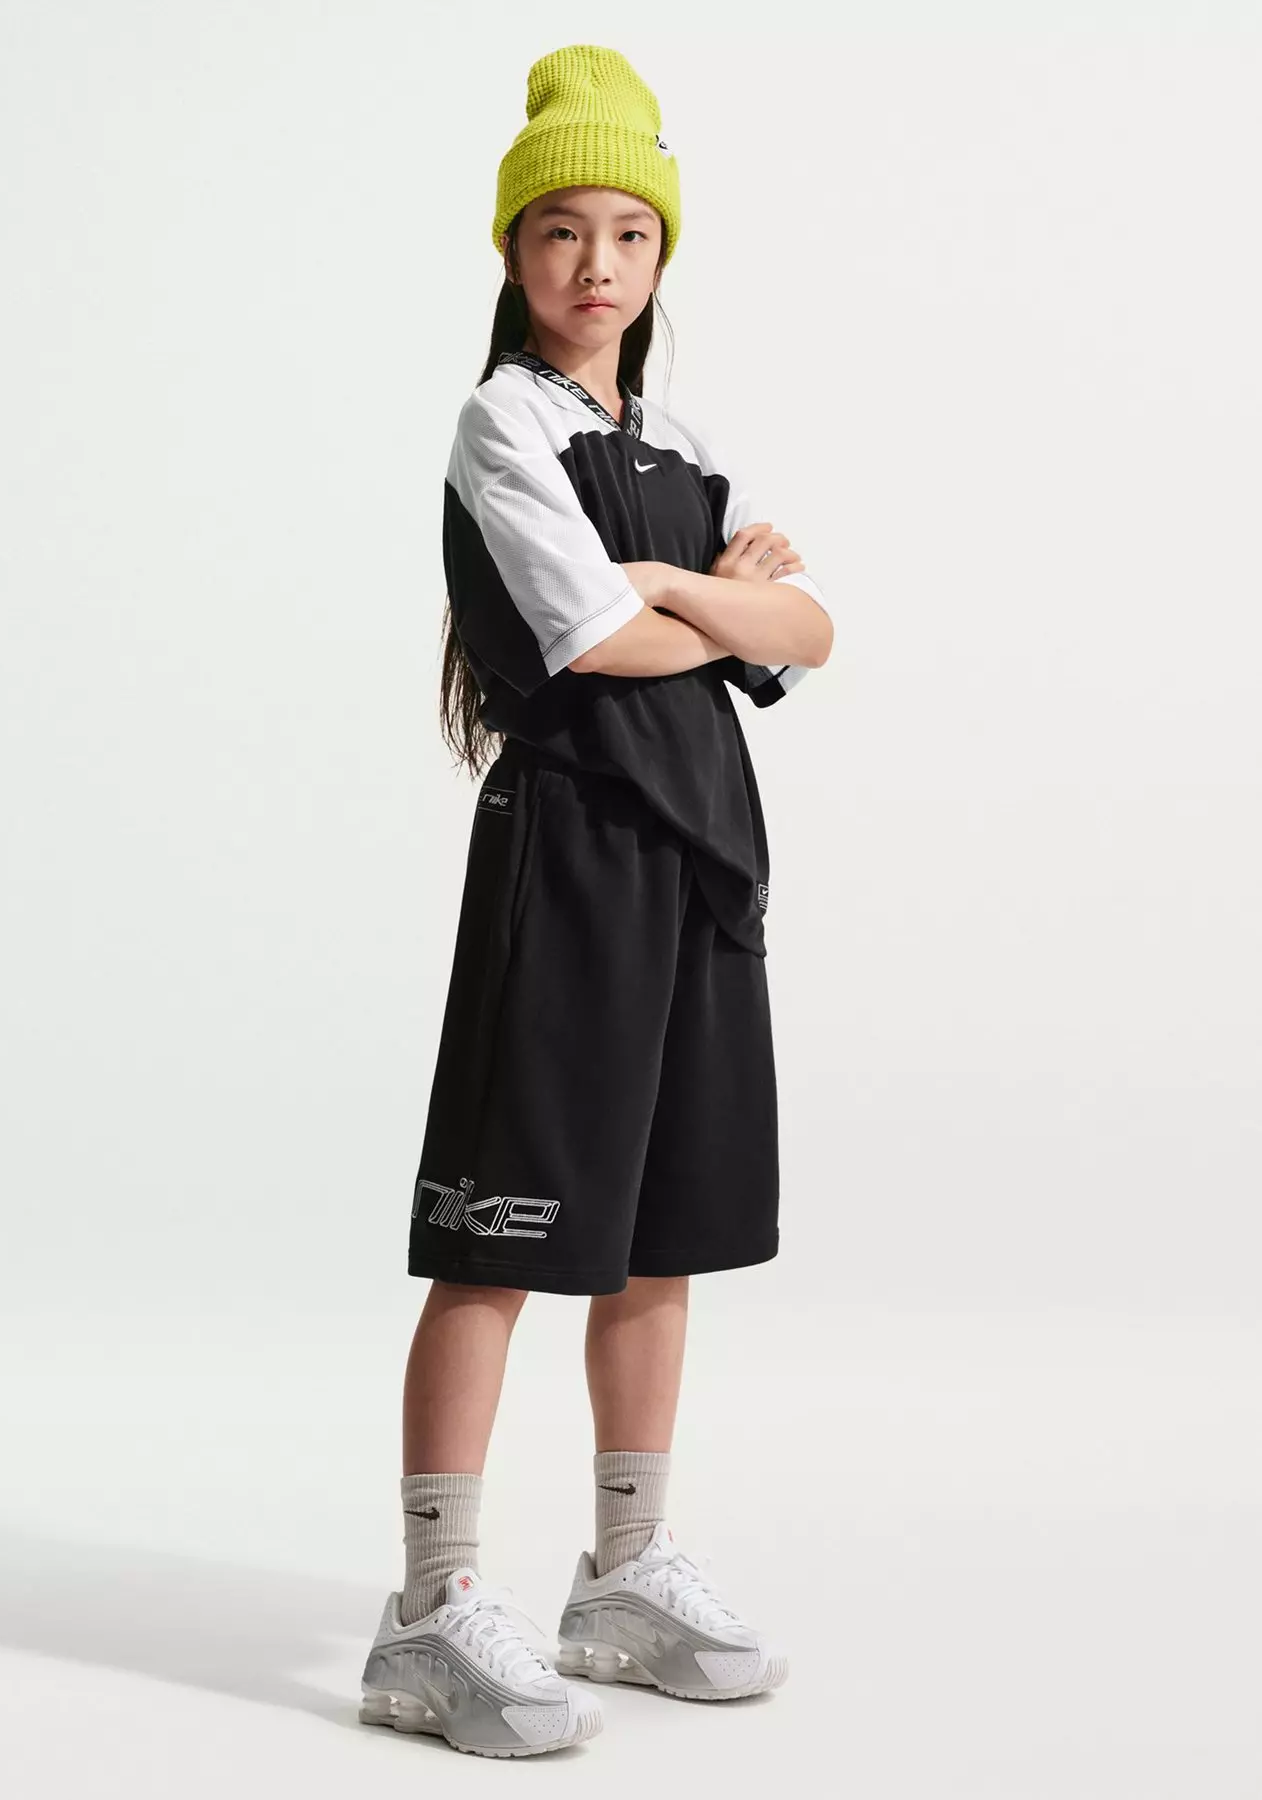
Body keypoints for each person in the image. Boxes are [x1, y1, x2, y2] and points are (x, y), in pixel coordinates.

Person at [361, 43, 835, 1759]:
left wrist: (675, 589)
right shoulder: (504, 422)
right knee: (501, 1235)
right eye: (559, 229)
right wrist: (701, 597)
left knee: (660, 1232)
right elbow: (598, 641)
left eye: (628, 232)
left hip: (698, 856)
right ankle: (432, 1604)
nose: (594, 263)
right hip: (568, 852)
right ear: (513, 251)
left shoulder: (680, 441)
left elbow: (812, 633)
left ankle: (623, 1570)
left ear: (660, 255)